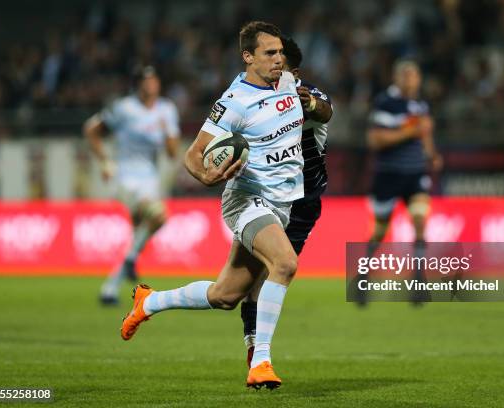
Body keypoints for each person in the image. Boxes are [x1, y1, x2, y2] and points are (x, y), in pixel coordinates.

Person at [120, 21, 304, 390]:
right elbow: (194, 153)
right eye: (270, 53)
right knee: (284, 263)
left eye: (281, 52)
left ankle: (149, 302)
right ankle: (262, 362)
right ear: (248, 57)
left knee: (226, 296)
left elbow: (321, 110)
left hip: (282, 204)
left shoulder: (286, 82)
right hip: (247, 201)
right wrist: (205, 176)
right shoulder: (234, 103)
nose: (278, 60)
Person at [239, 36, 333, 366]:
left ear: (294, 71)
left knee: (270, 275)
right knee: (255, 278)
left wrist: (306, 103)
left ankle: (256, 348)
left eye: (281, 65)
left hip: (304, 203)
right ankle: (256, 349)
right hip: (266, 198)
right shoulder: (255, 100)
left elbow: (326, 111)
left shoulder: (308, 95)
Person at [83, 66, 180, 305]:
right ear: (138, 85)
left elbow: (172, 152)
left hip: (150, 178)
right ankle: (129, 262)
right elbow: (91, 130)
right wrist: (105, 161)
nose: (151, 85)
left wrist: (166, 129)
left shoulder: (167, 109)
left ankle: (111, 287)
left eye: (155, 80)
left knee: (139, 233)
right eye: (147, 81)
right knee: (158, 215)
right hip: (125, 177)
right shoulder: (124, 108)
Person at [364, 61, 442, 305]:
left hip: (415, 173)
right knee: (380, 231)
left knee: (420, 221)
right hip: (388, 175)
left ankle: (419, 281)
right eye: (406, 75)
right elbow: (375, 140)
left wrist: (431, 154)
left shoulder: (420, 105)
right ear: (396, 78)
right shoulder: (385, 103)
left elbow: (425, 133)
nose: (411, 80)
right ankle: (363, 277)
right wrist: (409, 131)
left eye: (415, 75)